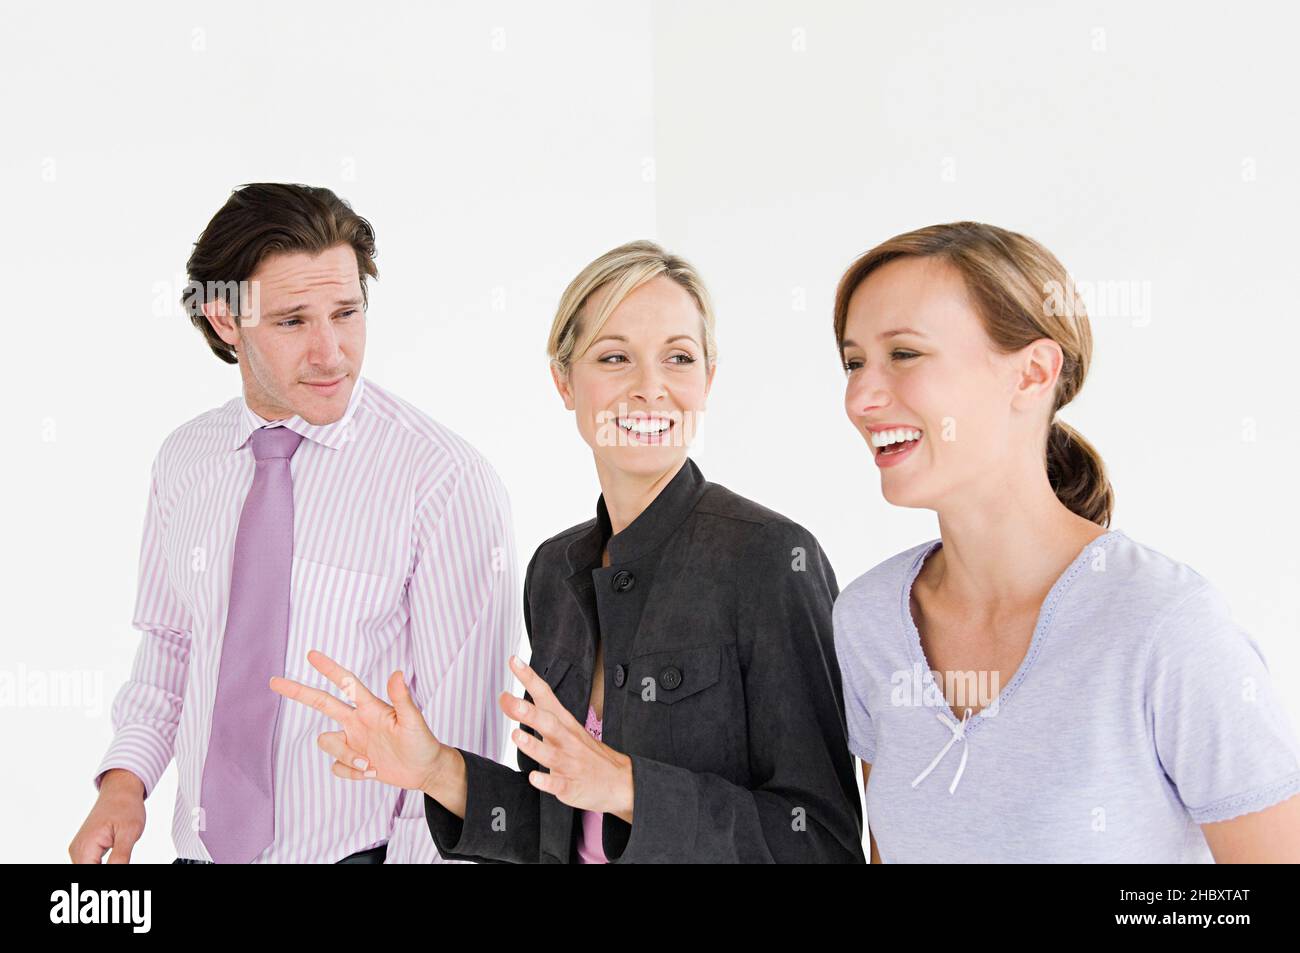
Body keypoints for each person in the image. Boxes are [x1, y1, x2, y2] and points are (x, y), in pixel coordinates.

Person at [272, 240, 865, 862]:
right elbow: (558, 826)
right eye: (615, 357)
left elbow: (820, 840)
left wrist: (631, 789)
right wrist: (436, 770)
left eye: (679, 358)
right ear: (563, 380)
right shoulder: (555, 571)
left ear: (708, 380)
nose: (650, 388)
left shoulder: (771, 558)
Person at [69, 183, 519, 864]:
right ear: (226, 321)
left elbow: (465, 741)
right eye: (292, 321)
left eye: (346, 313)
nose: (331, 352)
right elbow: (171, 646)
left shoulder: (444, 480)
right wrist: (125, 782)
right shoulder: (185, 460)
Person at [831, 221, 1300, 862]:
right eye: (854, 363)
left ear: (1032, 373)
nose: (861, 396)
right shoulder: (869, 619)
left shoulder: (1165, 626)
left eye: (904, 354)